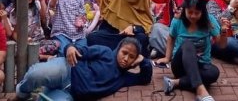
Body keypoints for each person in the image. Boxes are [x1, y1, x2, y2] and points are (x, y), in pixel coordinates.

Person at [16, 37, 152, 101]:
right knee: (36, 74)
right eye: (124, 53)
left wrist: (144, 60)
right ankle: (21, 94)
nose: (126, 59)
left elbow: (145, 78)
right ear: (119, 49)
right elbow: (79, 49)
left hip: (71, 94)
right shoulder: (105, 52)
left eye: (131, 57)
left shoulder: (124, 78)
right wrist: (70, 47)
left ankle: (42, 94)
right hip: (67, 69)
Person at [157, 0, 229, 101]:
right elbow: (171, 37)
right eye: (190, 12)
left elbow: (222, 45)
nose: (193, 16)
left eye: (197, 13)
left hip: (202, 65)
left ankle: (175, 82)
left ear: (202, 11)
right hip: (180, 66)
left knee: (214, 73)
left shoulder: (209, 20)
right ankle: (201, 90)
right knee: (187, 44)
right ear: (185, 9)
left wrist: (224, 33)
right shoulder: (178, 20)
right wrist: (167, 57)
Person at [88, 0, 153, 57]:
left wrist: (133, 28)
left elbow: (146, 25)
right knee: (93, 37)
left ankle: (118, 54)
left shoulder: (143, 1)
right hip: (111, 34)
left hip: (127, 37)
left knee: (142, 38)